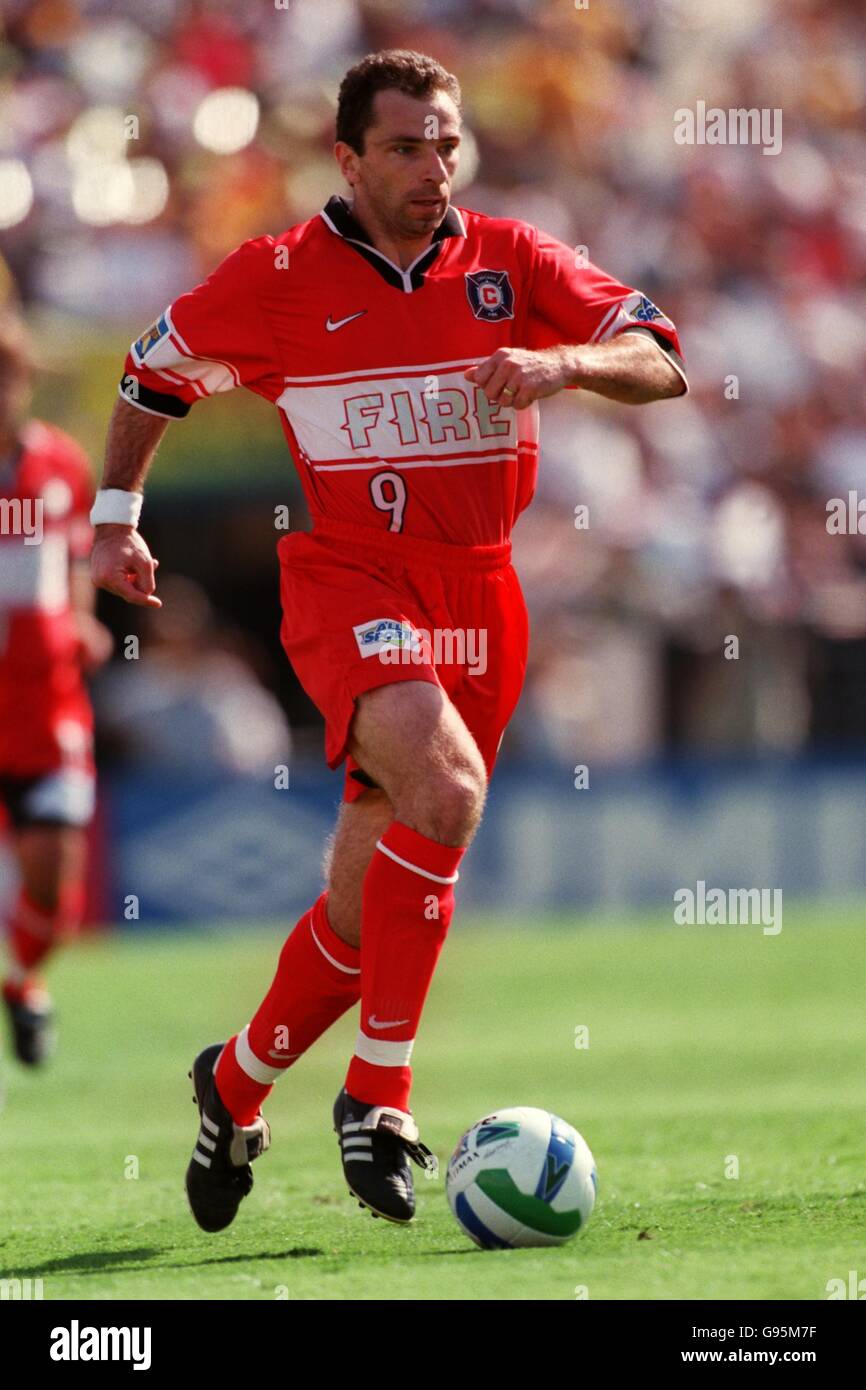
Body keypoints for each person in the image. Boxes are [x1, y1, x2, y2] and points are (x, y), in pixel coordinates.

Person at [90, 50, 687, 1232]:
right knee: (448, 792)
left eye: (446, 143)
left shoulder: (511, 261)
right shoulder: (274, 279)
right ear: (349, 156)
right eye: (407, 146)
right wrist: (118, 518)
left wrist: (562, 361)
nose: (433, 167)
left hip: (481, 589)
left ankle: (235, 1081)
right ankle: (379, 1093)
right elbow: (151, 373)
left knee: (373, 903)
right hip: (347, 573)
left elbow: (659, 357)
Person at [0, 311, 112, 1065]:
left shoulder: (62, 467)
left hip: (47, 708)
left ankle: (26, 983)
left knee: (53, 869)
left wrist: (83, 621)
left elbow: (75, 560)